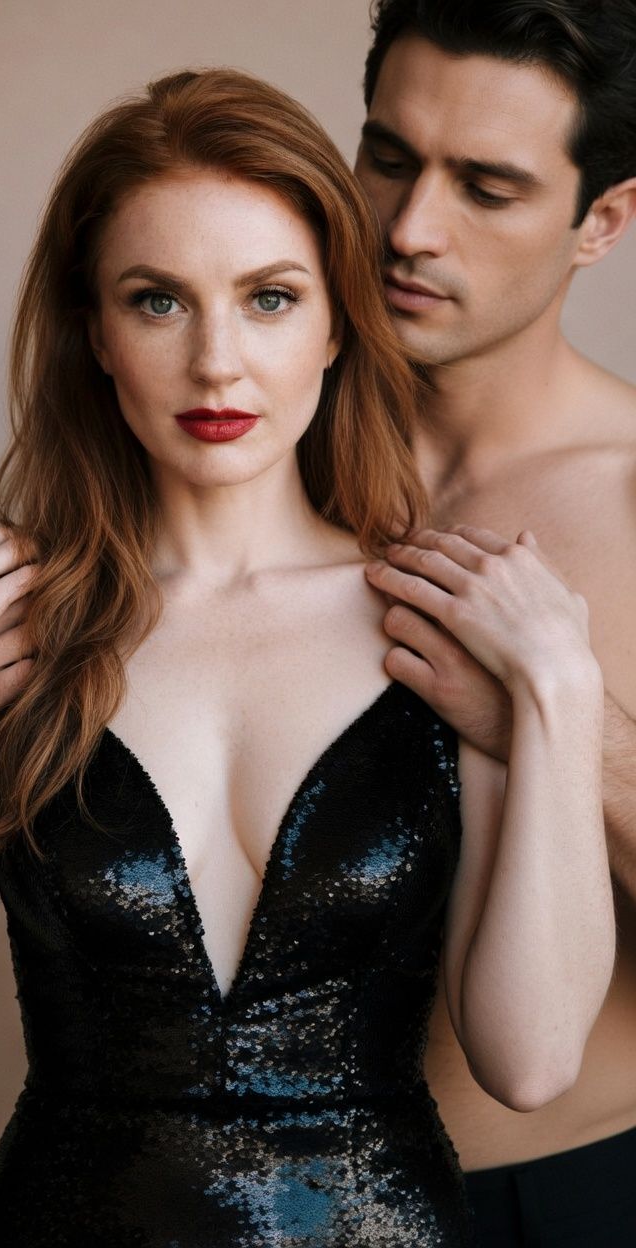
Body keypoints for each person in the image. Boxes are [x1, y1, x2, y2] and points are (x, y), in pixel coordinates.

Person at [0, 69, 614, 1247]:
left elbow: (532, 1061)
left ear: (338, 320)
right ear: (94, 331)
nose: (215, 364)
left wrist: (560, 693)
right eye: (157, 301)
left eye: (269, 298)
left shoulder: (452, 630)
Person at [354, 1, 636, 1243]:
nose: (411, 228)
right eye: (389, 158)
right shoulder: (240, 438)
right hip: (250, 1197)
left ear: (601, 221)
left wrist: (549, 718)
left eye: (486, 187)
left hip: (555, 1199)